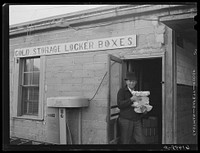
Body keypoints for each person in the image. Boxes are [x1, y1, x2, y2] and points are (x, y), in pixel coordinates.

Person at [117, 72, 146, 144]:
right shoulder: (122, 91)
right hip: (125, 119)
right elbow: (120, 104)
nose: (131, 83)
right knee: (125, 141)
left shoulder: (138, 92)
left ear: (136, 82)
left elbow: (141, 103)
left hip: (136, 119)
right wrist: (131, 100)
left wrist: (144, 109)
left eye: (133, 81)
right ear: (126, 81)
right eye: (130, 81)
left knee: (141, 141)